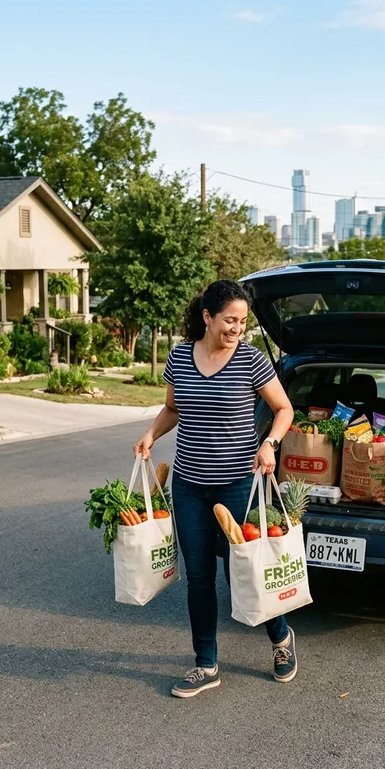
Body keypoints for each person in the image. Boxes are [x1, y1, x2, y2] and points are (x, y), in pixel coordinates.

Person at [134, 279, 295, 698]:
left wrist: (270, 443)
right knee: (200, 578)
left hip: (239, 483)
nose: (236, 329)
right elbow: (173, 408)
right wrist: (152, 433)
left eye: (242, 321)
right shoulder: (179, 357)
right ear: (207, 317)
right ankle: (205, 664)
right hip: (189, 485)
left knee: (246, 572)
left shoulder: (251, 361)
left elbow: (283, 408)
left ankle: (281, 639)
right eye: (229, 320)